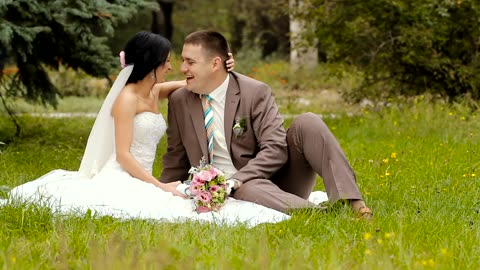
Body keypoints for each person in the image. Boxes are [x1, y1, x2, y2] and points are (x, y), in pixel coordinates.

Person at [4, 32, 323, 227]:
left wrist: (222, 66)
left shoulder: (154, 91)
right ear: (152, 63)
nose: (173, 67)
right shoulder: (126, 100)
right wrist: (159, 184)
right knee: (166, 206)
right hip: (126, 174)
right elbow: (125, 156)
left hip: (146, 175)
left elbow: (194, 81)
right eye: (168, 61)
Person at [160, 30, 372, 218]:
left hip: (274, 181)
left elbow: (276, 148)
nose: (182, 68)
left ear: (215, 64)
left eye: (190, 62)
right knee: (246, 190)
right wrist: (162, 192)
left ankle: (352, 203)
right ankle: (321, 216)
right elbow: (175, 156)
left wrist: (236, 180)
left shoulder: (254, 92)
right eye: (183, 61)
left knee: (309, 122)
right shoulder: (180, 100)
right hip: (231, 190)